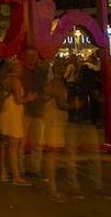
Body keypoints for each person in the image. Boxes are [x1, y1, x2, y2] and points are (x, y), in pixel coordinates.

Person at [0, 59, 35, 185]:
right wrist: (29, 98)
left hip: (4, 112)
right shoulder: (15, 81)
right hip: (13, 114)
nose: (21, 68)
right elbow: (19, 100)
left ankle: (3, 172)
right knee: (14, 146)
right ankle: (16, 176)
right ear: (14, 68)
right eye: (19, 65)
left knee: (4, 144)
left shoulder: (5, 79)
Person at [42, 60, 69, 202]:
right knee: (52, 155)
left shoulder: (58, 83)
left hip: (57, 121)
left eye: (63, 66)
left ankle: (53, 188)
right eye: (58, 67)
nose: (61, 69)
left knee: (54, 155)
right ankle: (52, 190)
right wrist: (75, 106)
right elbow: (61, 103)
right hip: (53, 121)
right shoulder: (54, 84)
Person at [21, 47, 47, 177]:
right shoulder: (21, 71)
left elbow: (46, 89)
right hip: (24, 110)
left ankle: (35, 168)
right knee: (21, 142)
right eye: (29, 55)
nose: (32, 58)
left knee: (37, 143)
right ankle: (20, 168)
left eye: (34, 55)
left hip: (38, 111)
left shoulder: (41, 71)